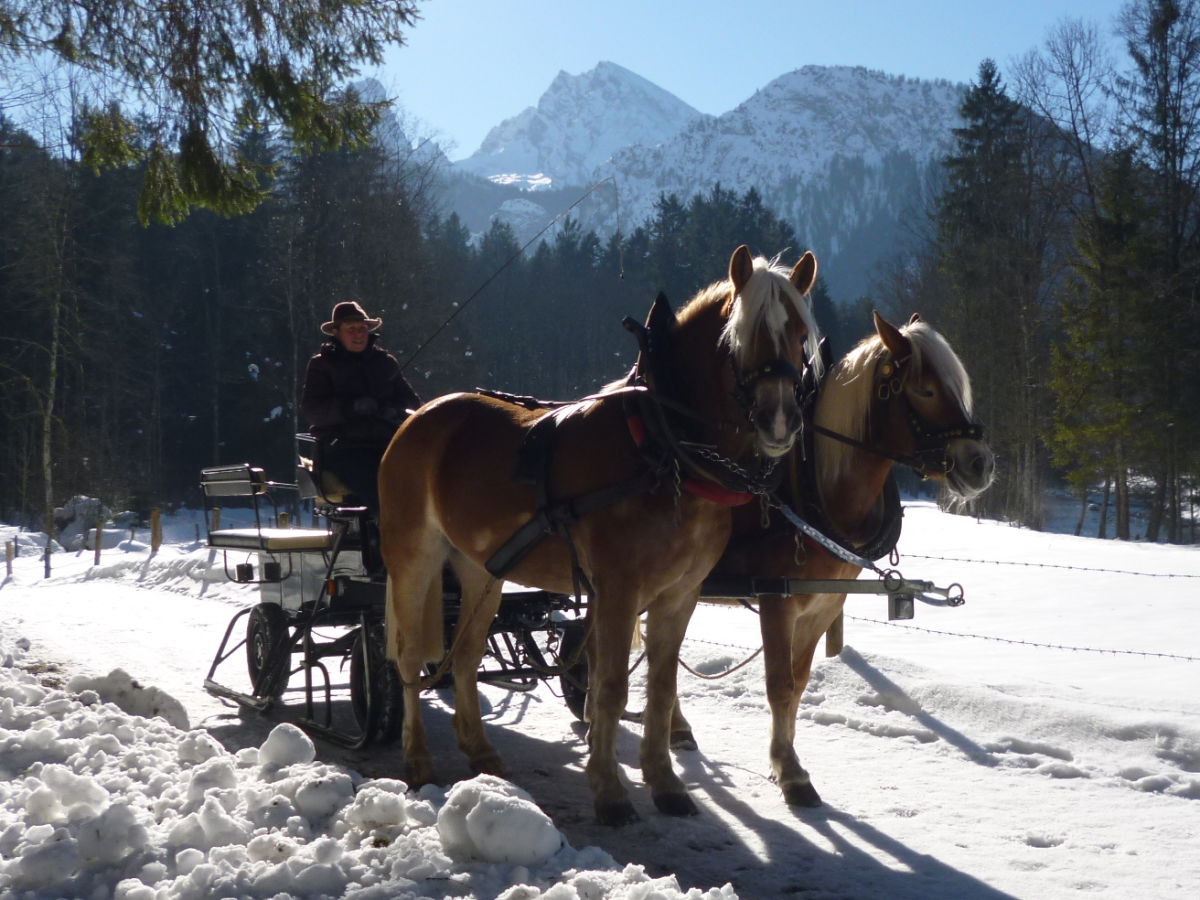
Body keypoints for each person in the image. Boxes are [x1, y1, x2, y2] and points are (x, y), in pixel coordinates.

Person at [301, 300, 421, 514]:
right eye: (351, 330)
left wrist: (392, 410)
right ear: (336, 333)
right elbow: (314, 410)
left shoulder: (386, 362)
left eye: (362, 328)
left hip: (388, 444)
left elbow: (412, 403)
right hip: (342, 449)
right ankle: (386, 539)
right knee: (381, 488)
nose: (359, 334)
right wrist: (351, 408)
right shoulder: (322, 365)